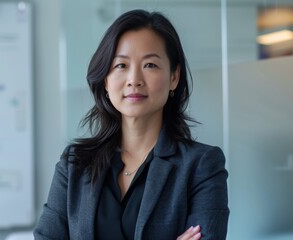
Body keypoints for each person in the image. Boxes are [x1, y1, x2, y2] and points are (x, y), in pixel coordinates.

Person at [34, 9, 229, 240]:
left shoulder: (201, 166)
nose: (134, 80)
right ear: (105, 80)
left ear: (174, 77)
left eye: (150, 65)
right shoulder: (74, 164)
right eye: (121, 66)